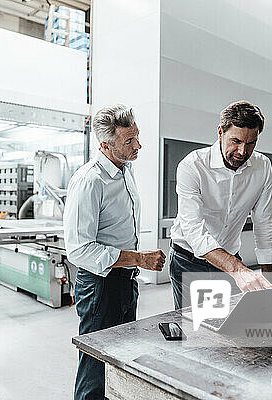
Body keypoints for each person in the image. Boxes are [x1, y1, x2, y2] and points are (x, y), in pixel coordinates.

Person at [63, 104, 166, 400]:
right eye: (129, 141)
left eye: (137, 137)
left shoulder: (125, 170)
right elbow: (80, 249)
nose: (139, 145)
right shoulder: (89, 181)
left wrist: (134, 264)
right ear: (105, 145)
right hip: (99, 287)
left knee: (120, 360)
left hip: (125, 282)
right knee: (95, 369)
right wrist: (139, 259)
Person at [169, 100, 272, 310]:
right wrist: (238, 269)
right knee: (196, 329)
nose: (242, 151)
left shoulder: (262, 166)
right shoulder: (192, 166)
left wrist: (269, 280)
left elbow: (265, 222)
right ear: (220, 132)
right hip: (188, 259)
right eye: (235, 141)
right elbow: (194, 230)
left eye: (251, 143)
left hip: (229, 259)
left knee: (230, 325)